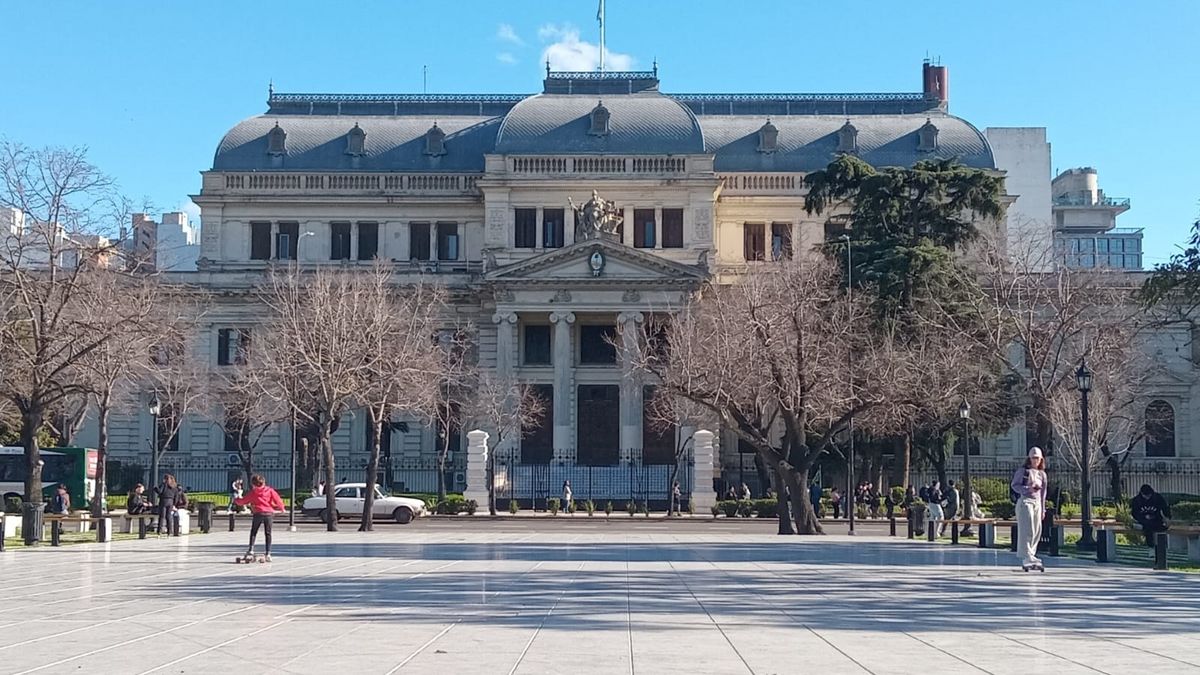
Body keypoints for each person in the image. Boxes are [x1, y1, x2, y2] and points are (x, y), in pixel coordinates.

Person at [233, 474, 285, 562]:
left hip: (258, 513)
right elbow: (278, 499)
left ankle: (251, 549)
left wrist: (236, 499)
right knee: (268, 533)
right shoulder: (270, 490)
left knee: (254, 532)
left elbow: (243, 501)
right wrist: (282, 508)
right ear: (263, 482)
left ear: (253, 484)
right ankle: (268, 553)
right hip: (268, 513)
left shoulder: (253, 492)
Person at [1011, 447, 1047, 569]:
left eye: (1037, 458)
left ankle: (1032, 554)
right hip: (1026, 502)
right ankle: (1026, 555)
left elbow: (1043, 494)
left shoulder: (1042, 474)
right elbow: (1014, 485)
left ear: (1041, 459)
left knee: (1037, 530)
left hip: (1037, 503)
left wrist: (1043, 509)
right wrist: (1028, 489)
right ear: (1029, 458)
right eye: (1033, 458)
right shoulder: (1023, 471)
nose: (1035, 460)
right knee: (1027, 529)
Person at [1131, 484, 1172, 549]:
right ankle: (1151, 546)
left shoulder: (1157, 498)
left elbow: (1165, 508)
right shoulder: (1136, 500)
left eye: (1149, 495)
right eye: (1146, 496)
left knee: (1161, 528)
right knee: (1148, 527)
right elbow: (1134, 513)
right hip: (1143, 521)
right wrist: (1142, 518)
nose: (1148, 497)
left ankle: (1160, 547)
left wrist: (1167, 517)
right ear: (1142, 494)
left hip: (1156, 520)